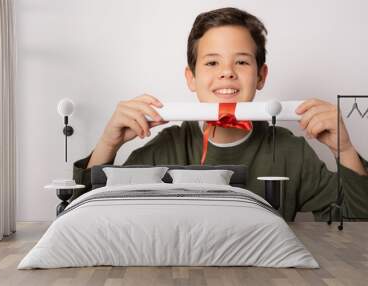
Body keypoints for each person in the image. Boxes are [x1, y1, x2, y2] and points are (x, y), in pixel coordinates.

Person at [73, 7, 368, 221]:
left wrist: (346, 151)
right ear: (191, 78)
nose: (226, 72)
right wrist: (108, 144)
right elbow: (85, 217)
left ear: (261, 76)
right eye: (212, 63)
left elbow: (356, 228)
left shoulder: (292, 152)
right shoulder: (166, 146)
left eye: (241, 62)